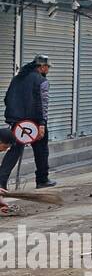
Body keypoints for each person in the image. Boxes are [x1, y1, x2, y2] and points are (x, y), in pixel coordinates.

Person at [0, 55, 55, 201]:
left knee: (14, 151)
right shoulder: (41, 81)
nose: (48, 70)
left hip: (17, 122)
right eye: (48, 67)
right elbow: (42, 104)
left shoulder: (17, 78)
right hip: (34, 122)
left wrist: (14, 117)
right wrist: (42, 124)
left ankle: (1, 183)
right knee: (41, 149)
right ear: (42, 67)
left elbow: (7, 98)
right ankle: (42, 179)